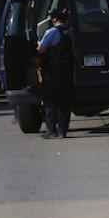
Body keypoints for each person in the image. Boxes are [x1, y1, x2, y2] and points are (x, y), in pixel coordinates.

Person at [36, 8, 73, 138]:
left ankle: (51, 130)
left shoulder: (51, 32)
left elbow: (41, 50)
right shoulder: (70, 32)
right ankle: (63, 130)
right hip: (67, 71)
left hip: (53, 72)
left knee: (51, 101)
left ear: (54, 20)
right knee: (65, 102)